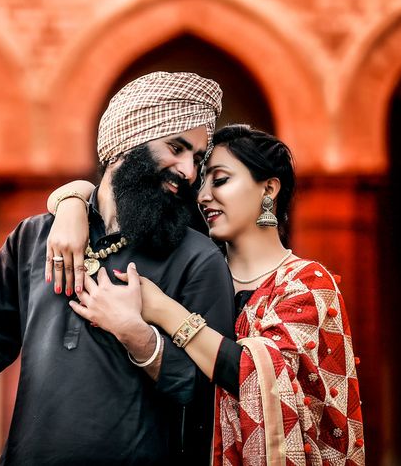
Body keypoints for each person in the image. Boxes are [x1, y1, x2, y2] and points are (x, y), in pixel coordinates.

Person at [0, 72, 235, 465]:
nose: (188, 171)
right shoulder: (34, 237)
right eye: (176, 147)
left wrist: (137, 336)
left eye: (197, 158)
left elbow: (211, 396)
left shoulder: (199, 258)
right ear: (125, 143)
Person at [49, 124, 366, 465]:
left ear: (269, 189)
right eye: (201, 183)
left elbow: (259, 379)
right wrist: (71, 203)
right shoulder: (193, 268)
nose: (202, 196)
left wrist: (163, 309)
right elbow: (112, 191)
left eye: (220, 180)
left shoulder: (306, 283)